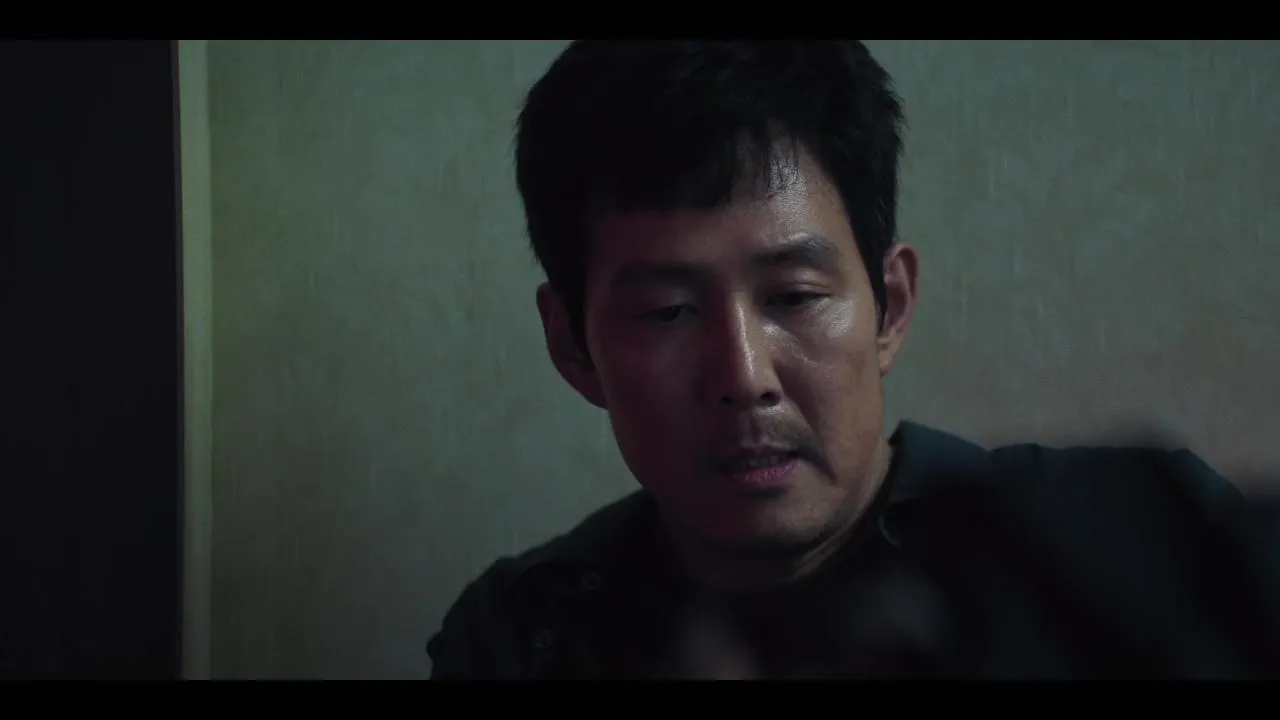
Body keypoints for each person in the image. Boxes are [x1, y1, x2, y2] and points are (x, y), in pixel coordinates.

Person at [426, 40, 1280, 679]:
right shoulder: (524, 637)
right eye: (667, 311)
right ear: (572, 346)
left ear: (890, 307)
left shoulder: (1129, 558)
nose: (745, 377)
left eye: (794, 297)